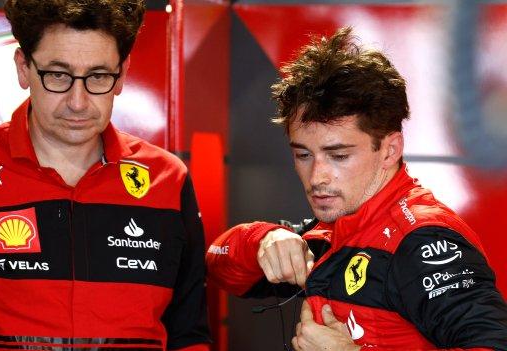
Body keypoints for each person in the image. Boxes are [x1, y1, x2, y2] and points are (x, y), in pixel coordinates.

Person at [0, 1, 211, 350]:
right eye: (58, 74)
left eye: (99, 76)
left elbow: (189, 334)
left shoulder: (168, 180)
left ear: (123, 74)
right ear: (23, 68)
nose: (78, 102)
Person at [206, 27, 507, 350]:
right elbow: (219, 269)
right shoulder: (331, 231)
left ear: (389, 150)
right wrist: (263, 240)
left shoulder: (422, 241)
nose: (317, 176)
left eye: (339, 156)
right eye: (303, 155)